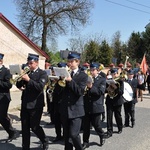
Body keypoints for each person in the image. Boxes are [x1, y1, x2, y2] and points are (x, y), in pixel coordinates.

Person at [16, 53, 49, 150]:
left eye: (31, 63)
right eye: (28, 63)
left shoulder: (42, 73)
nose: (29, 65)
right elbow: (18, 84)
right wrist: (20, 79)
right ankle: (25, 147)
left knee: (34, 127)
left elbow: (39, 87)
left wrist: (28, 80)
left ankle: (44, 140)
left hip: (36, 104)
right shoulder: (27, 73)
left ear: (36, 63)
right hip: (25, 103)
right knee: (25, 127)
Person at [59, 52, 88, 150]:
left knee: (74, 134)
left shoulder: (83, 76)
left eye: (71, 61)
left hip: (76, 110)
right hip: (65, 109)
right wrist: (58, 82)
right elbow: (59, 92)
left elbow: (80, 91)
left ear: (77, 62)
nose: (69, 63)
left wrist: (70, 81)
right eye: (68, 61)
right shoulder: (66, 73)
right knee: (67, 137)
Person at [82, 63, 106, 149]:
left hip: (96, 106)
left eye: (93, 70)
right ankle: (85, 142)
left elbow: (100, 92)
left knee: (96, 125)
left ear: (97, 70)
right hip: (86, 105)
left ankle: (102, 135)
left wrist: (91, 86)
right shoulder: (86, 78)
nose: (91, 72)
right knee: (86, 126)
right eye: (90, 70)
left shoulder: (102, 80)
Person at [0, 53, 19, 142]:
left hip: (3, 98)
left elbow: (8, 85)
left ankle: (12, 132)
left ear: (0, 61)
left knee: (2, 117)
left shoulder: (6, 71)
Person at [105, 68, 124, 138]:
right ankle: (109, 131)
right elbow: (105, 90)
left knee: (117, 115)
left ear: (117, 74)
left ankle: (120, 127)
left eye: (115, 74)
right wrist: (107, 89)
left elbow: (121, 92)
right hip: (109, 100)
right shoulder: (109, 81)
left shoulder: (120, 81)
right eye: (112, 74)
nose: (114, 75)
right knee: (109, 116)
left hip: (117, 101)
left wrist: (115, 87)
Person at [52, 62, 67, 142]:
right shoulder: (57, 79)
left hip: (64, 103)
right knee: (57, 120)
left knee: (64, 121)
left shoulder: (66, 79)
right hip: (56, 102)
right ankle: (58, 135)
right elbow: (56, 91)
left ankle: (65, 136)